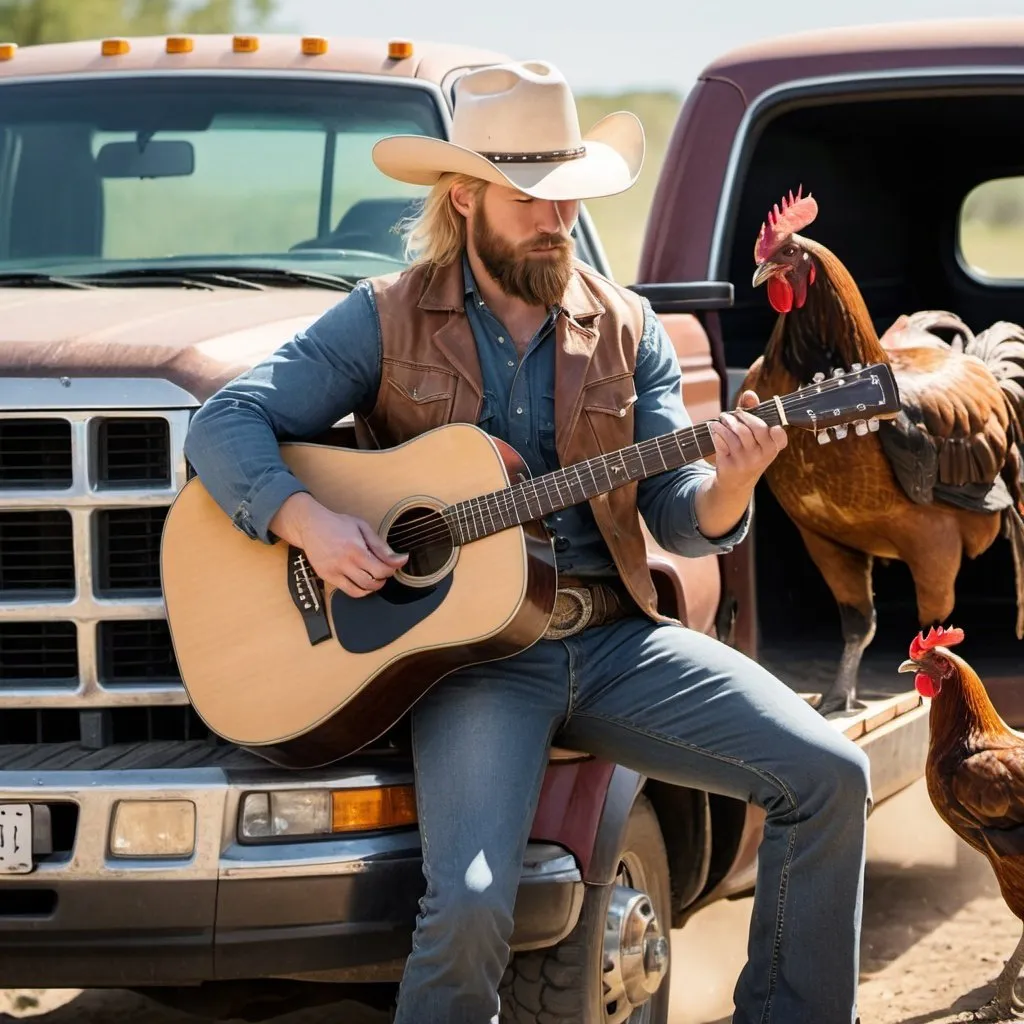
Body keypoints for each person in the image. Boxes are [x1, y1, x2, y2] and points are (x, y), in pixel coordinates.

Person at [183, 59, 871, 1024]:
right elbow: (224, 424)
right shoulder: (383, 318)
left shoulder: (630, 328)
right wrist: (312, 521)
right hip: (470, 663)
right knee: (465, 903)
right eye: (532, 200)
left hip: (617, 641)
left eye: (570, 198)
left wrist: (732, 485)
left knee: (831, 773)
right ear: (464, 198)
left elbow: (676, 513)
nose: (558, 221)